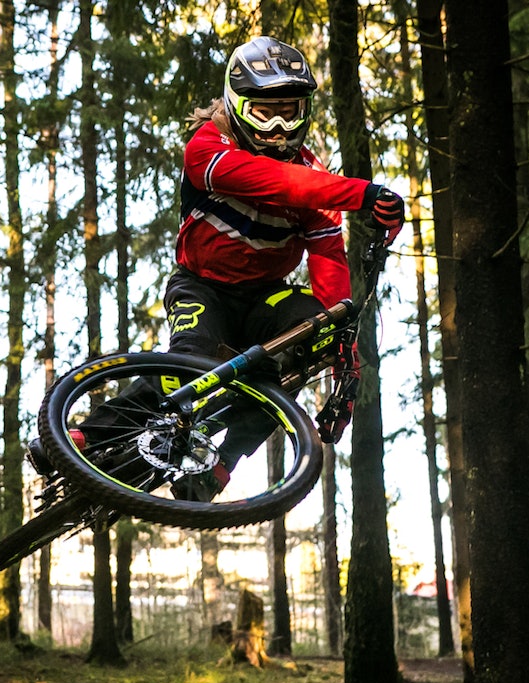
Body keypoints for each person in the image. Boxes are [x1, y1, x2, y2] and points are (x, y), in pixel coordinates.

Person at [28, 36, 404, 499]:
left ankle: (219, 467)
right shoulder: (208, 146)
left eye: (290, 109)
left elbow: (328, 262)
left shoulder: (315, 177)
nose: (281, 125)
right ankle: (85, 437)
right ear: (237, 105)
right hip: (201, 286)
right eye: (266, 112)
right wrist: (361, 194)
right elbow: (282, 184)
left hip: (265, 296)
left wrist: (343, 355)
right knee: (195, 358)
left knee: (307, 342)